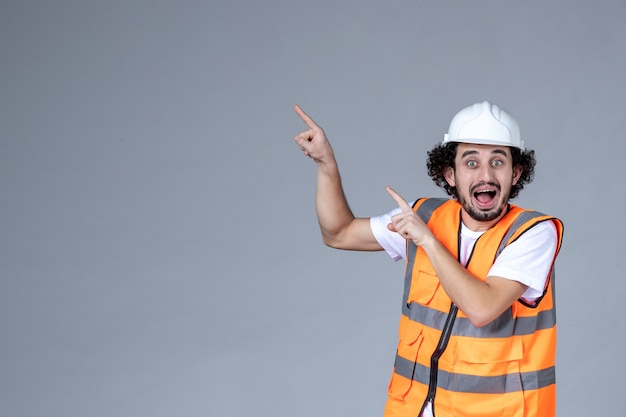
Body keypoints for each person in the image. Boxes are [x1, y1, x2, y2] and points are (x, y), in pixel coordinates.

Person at [292, 101, 564, 417]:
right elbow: (338, 233)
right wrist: (325, 164)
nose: (486, 175)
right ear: (450, 173)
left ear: (515, 173)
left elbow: (482, 308)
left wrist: (427, 241)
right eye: (471, 162)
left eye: (498, 162)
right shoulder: (425, 216)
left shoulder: (533, 233)